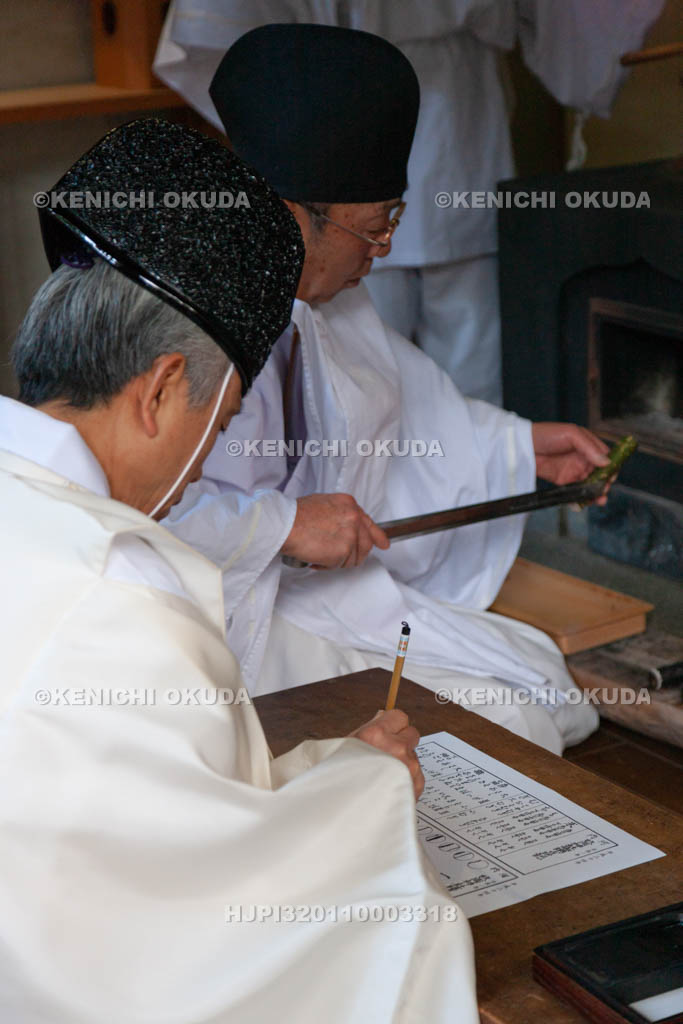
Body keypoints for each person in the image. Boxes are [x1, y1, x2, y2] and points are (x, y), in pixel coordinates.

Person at [0, 119, 478, 1023]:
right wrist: (370, 795)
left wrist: (333, 769)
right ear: (157, 390)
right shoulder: (117, 604)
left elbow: (157, 838)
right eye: (216, 428)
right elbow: (208, 940)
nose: (206, 454)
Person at [162, 25, 607, 755]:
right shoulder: (182, 322)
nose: (385, 249)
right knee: (512, 727)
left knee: (541, 686)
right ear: (288, 217)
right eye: (372, 228)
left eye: (391, 221)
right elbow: (123, 509)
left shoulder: (329, 297)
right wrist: (279, 525)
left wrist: (516, 446)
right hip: (228, 617)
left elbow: (405, 408)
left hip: (321, 594)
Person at [154, 0, 666, 405]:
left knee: (450, 354)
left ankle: (465, 490)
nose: (383, 243)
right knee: (356, 351)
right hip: (348, 108)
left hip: (443, 108)